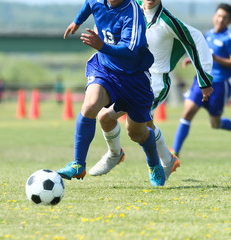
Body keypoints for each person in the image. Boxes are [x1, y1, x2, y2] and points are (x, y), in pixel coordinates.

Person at [88, 0, 213, 181]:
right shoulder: (128, 7)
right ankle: (118, 154)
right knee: (105, 118)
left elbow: (196, 40)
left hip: (154, 84)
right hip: (129, 79)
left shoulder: (168, 22)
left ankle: (160, 161)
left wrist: (205, 80)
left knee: (134, 130)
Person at [57, 0, 166, 186]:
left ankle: (154, 163)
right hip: (105, 69)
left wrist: (102, 46)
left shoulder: (133, 12)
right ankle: (78, 164)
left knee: (136, 133)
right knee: (91, 105)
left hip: (134, 80)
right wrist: (77, 21)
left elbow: (131, 50)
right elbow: (89, 4)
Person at [172, 3, 231, 156]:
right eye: (218, 16)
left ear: (229, 21)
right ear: (214, 17)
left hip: (219, 85)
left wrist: (216, 58)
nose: (220, 20)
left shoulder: (229, 38)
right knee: (187, 113)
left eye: (225, 18)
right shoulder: (208, 34)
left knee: (215, 124)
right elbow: (202, 53)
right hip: (201, 79)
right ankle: (175, 153)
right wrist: (191, 60)